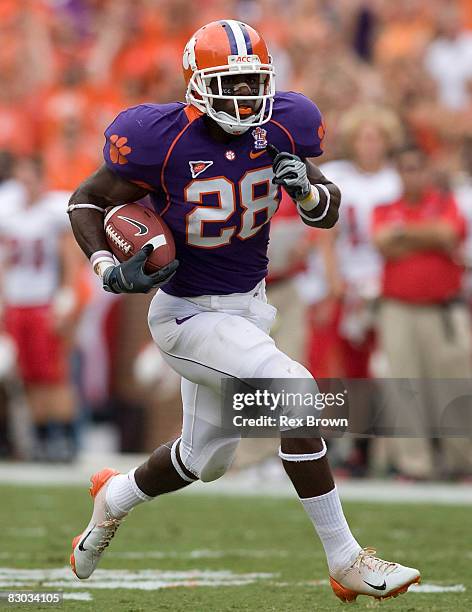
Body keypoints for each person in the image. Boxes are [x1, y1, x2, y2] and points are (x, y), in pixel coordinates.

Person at [67, 20, 420, 602]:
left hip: (249, 309)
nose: (245, 98)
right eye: (230, 84)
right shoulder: (157, 137)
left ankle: (115, 497)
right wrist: (107, 266)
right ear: (198, 84)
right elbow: (86, 199)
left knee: (202, 460)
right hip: (187, 315)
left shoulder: (287, 121)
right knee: (298, 394)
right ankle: (346, 559)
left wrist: (306, 192)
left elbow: (327, 210)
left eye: (254, 83)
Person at [372, 143, 472, 479]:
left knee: (455, 386)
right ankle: (415, 465)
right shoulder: (386, 207)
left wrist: (405, 235)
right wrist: (424, 238)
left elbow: (447, 233)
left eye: (417, 168)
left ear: (427, 171)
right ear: (398, 173)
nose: (411, 175)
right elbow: (383, 242)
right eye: (405, 168)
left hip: (442, 309)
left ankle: (464, 462)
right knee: (405, 386)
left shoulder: (445, 202)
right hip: (398, 308)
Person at [0, 157, 79, 462]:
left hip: (43, 302)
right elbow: (5, 264)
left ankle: (63, 436)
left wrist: (66, 298)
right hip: (17, 304)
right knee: (28, 376)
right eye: (21, 179)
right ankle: (43, 437)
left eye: (30, 178)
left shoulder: (51, 214)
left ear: (41, 179)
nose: (25, 185)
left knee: (52, 375)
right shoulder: (11, 214)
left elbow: (69, 262)